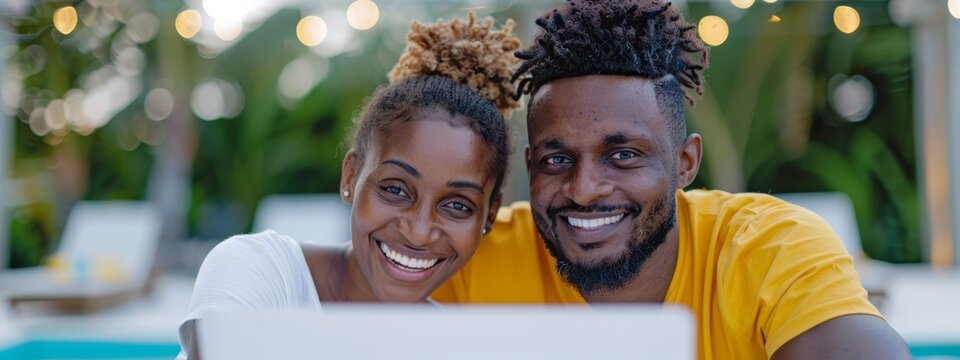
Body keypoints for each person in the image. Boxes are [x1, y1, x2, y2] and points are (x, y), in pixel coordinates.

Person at [431, 1, 912, 359]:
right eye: (557, 161)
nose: (583, 188)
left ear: (686, 163)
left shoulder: (763, 248)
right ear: (531, 164)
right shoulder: (474, 254)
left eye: (622, 155)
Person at [176, 13, 521, 359]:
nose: (418, 232)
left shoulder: (453, 346)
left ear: (489, 215)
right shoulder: (259, 270)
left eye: (458, 205)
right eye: (396, 189)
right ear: (351, 176)